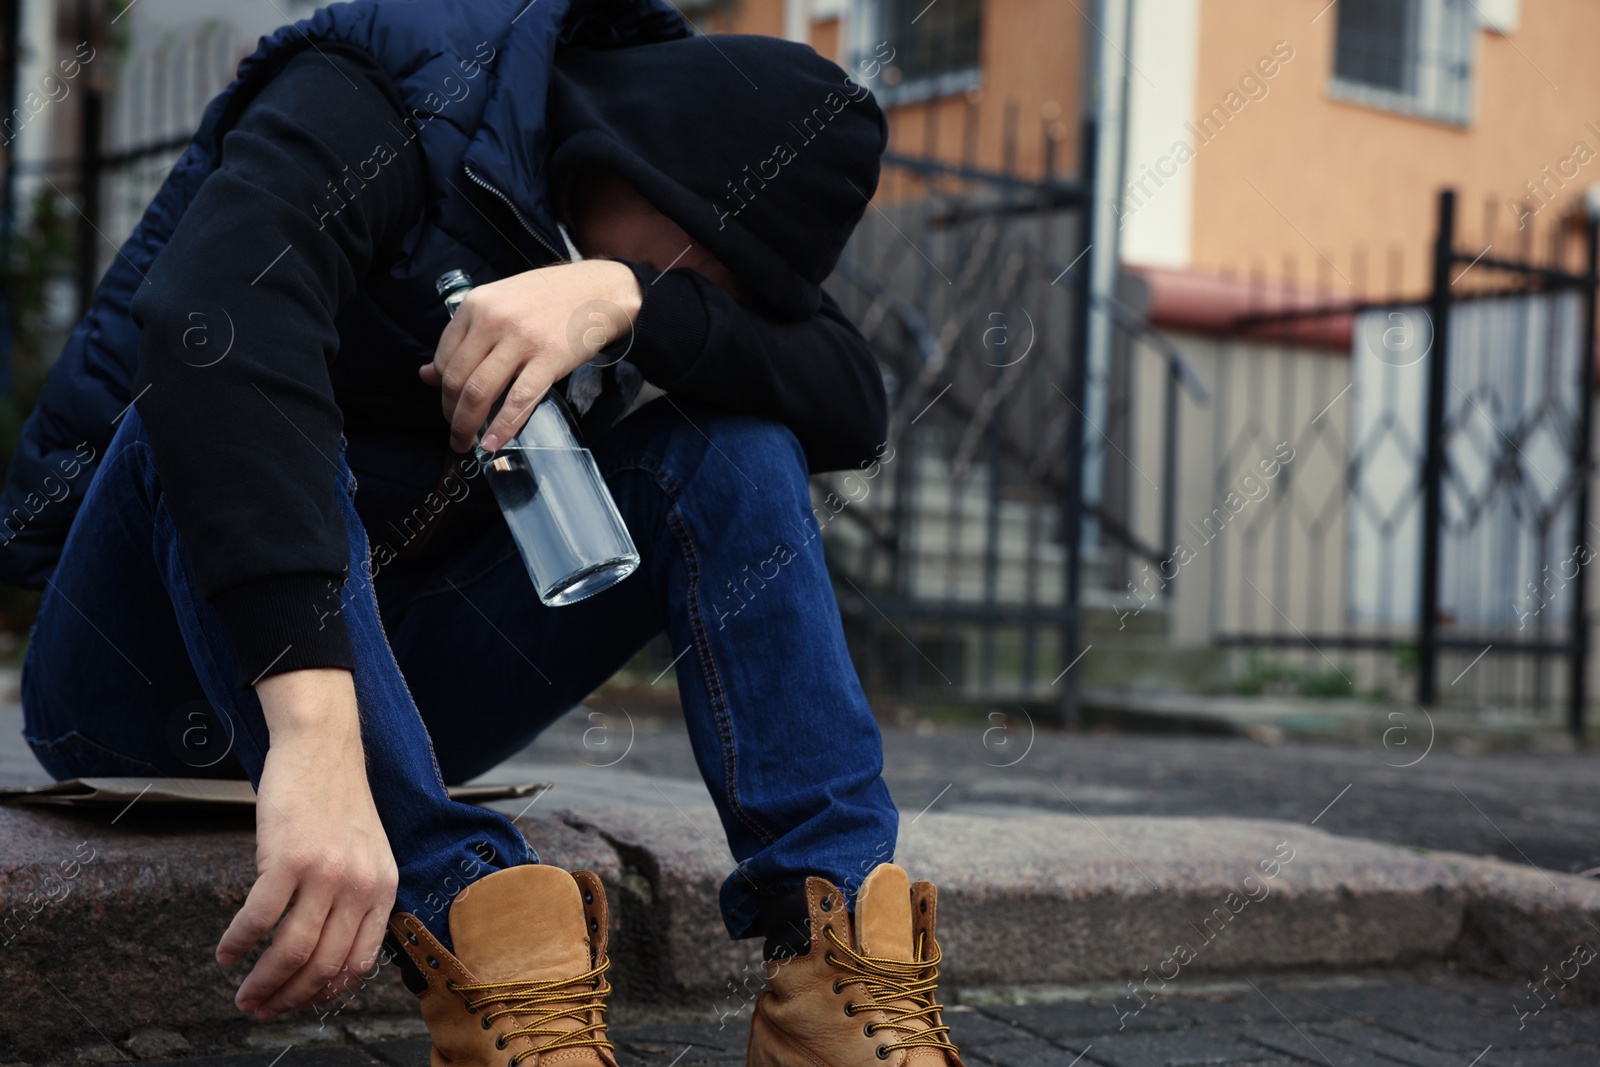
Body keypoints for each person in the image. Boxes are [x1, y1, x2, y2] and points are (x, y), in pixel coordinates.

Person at [3, 2, 964, 1064]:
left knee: (737, 441)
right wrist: (318, 738)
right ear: (666, 180)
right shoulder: (391, 82)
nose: (720, 303)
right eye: (715, 273)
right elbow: (212, 318)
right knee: (225, 391)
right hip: (140, 669)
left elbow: (850, 399)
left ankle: (831, 974)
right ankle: (484, 946)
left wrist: (624, 294)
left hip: (407, 678)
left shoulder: (640, 219)